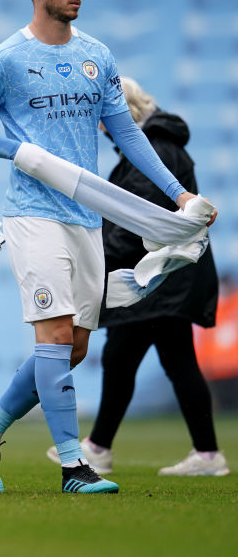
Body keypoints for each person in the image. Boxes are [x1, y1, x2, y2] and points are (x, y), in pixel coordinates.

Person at [0, 0, 215, 494]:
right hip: (32, 215)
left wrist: (178, 194)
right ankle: (73, 466)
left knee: (76, 347)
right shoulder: (6, 59)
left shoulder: (97, 56)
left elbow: (129, 134)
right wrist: (17, 152)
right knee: (56, 335)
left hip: (85, 217)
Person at [42, 76, 228, 477]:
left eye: (104, 114)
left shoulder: (154, 150)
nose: (100, 123)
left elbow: (132, 221)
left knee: (130, 358)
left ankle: (101, 448)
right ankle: (201, 454)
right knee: (160, 360)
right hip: (164, 277)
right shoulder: (161, 148)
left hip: (156, 278)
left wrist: (97, 260)